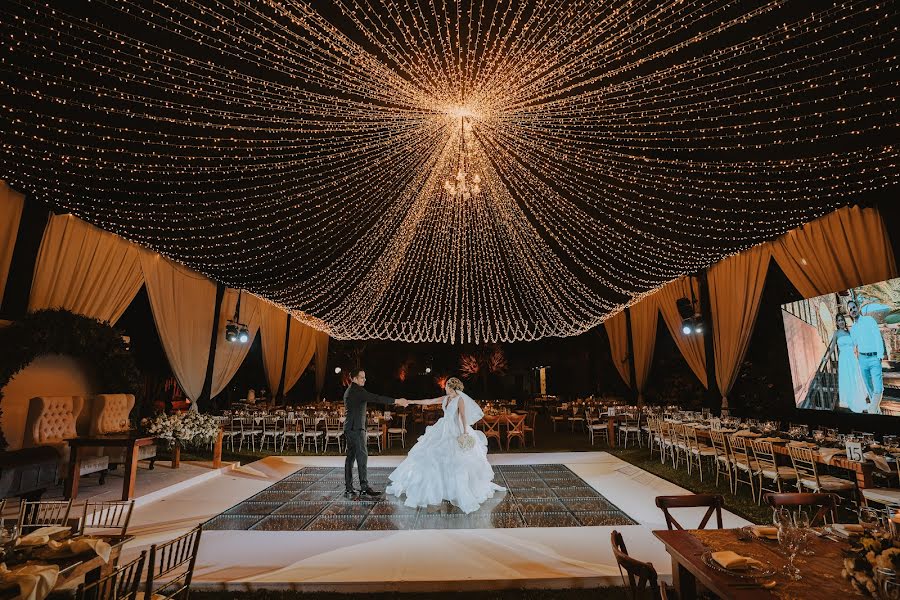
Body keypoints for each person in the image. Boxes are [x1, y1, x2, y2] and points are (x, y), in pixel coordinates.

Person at [385, 377, 505, 514]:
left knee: (455, 460)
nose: (444, 388)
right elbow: (429, 401)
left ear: (451, 387)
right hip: (442, 428)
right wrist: (410, 401)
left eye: (446, 386)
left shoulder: (460, 400)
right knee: (433, 455)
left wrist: (464, 433)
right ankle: (438, 488)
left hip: (454, 430)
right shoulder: (446, 398)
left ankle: (454, 489)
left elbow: (463, 417)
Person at [343, 368, 408, 498]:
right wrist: (396, 401)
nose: (364, 379)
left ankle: (349, 489)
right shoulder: (357, 390)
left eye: (364, 377)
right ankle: (364, 487)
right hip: (355, 429)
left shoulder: (351, 390)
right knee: (362, 456)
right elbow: (376, 398)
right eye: (362, 377)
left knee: (350, 458)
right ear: (355, 379)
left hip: (350, 427)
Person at [848, 300, 886, 414]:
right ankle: (877, 413)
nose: (853, 310)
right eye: (850, 309)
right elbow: (853, 344)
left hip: (874, 358)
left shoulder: (869, 320)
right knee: (869, 389)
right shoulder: (853, 329)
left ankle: (872, 411)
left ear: (858, 307)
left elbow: (877, 337)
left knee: (878, 388)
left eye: (854, 307)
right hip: (862, 359)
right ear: (849, 313)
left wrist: (880, 355)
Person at [833, 314, 869, 412]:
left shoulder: (849, 332)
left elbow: (855, 343)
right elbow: (832, 348)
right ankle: (850, 400)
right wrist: (825, 358)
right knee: (847, 378)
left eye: (842, 320)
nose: (841, 322)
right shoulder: (836, 333)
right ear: (836, 322)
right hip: (844, 359)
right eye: (839, 320)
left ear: (844, 321)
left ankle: (859, 399)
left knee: (855, 377)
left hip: (852, 358)